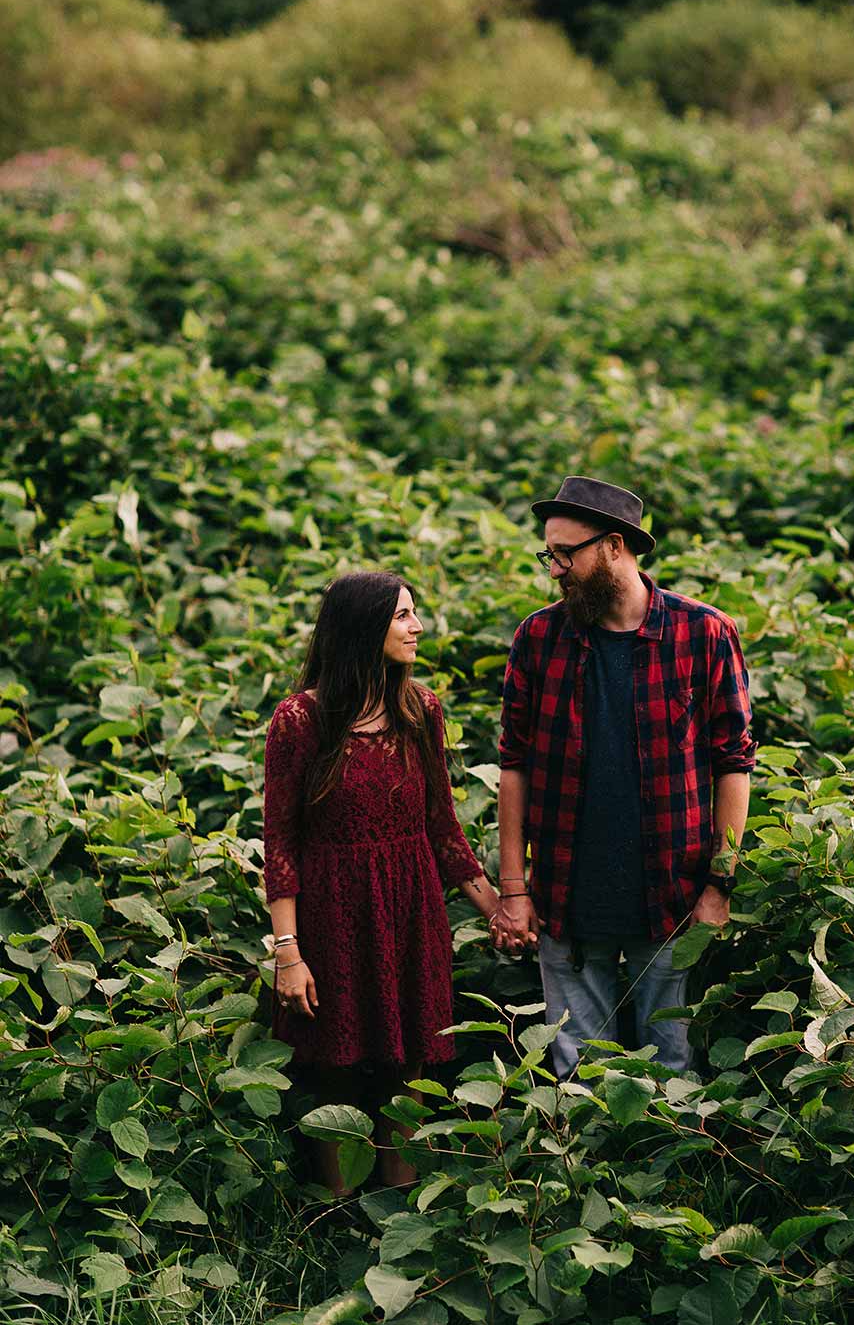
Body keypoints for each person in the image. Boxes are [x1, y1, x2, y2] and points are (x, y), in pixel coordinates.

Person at [492, 476, 757, 1079]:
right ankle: (588, 1174)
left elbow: (733, 763)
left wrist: (720, 884)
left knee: (674, 1066)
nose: (554, 569)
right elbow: (515, 765)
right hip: (564, 894)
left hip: (672, 893)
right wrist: (514, 888)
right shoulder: (539, 637)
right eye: (548, 554)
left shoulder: (703, 632)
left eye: (565, 554)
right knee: (577, 1073)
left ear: (614, 546)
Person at [263, 570, 501, 1193]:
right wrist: (288, 954)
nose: (417, 627)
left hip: (411, 909)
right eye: (402, 616)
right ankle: (335, 1221)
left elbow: (443, 828)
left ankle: (402, 1215)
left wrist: (497, 908)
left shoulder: (421, 710)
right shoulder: (300, 722)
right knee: (334, 1073)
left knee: (409, 1073)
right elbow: (282, 844)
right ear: (363, 628)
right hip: (334, 915)